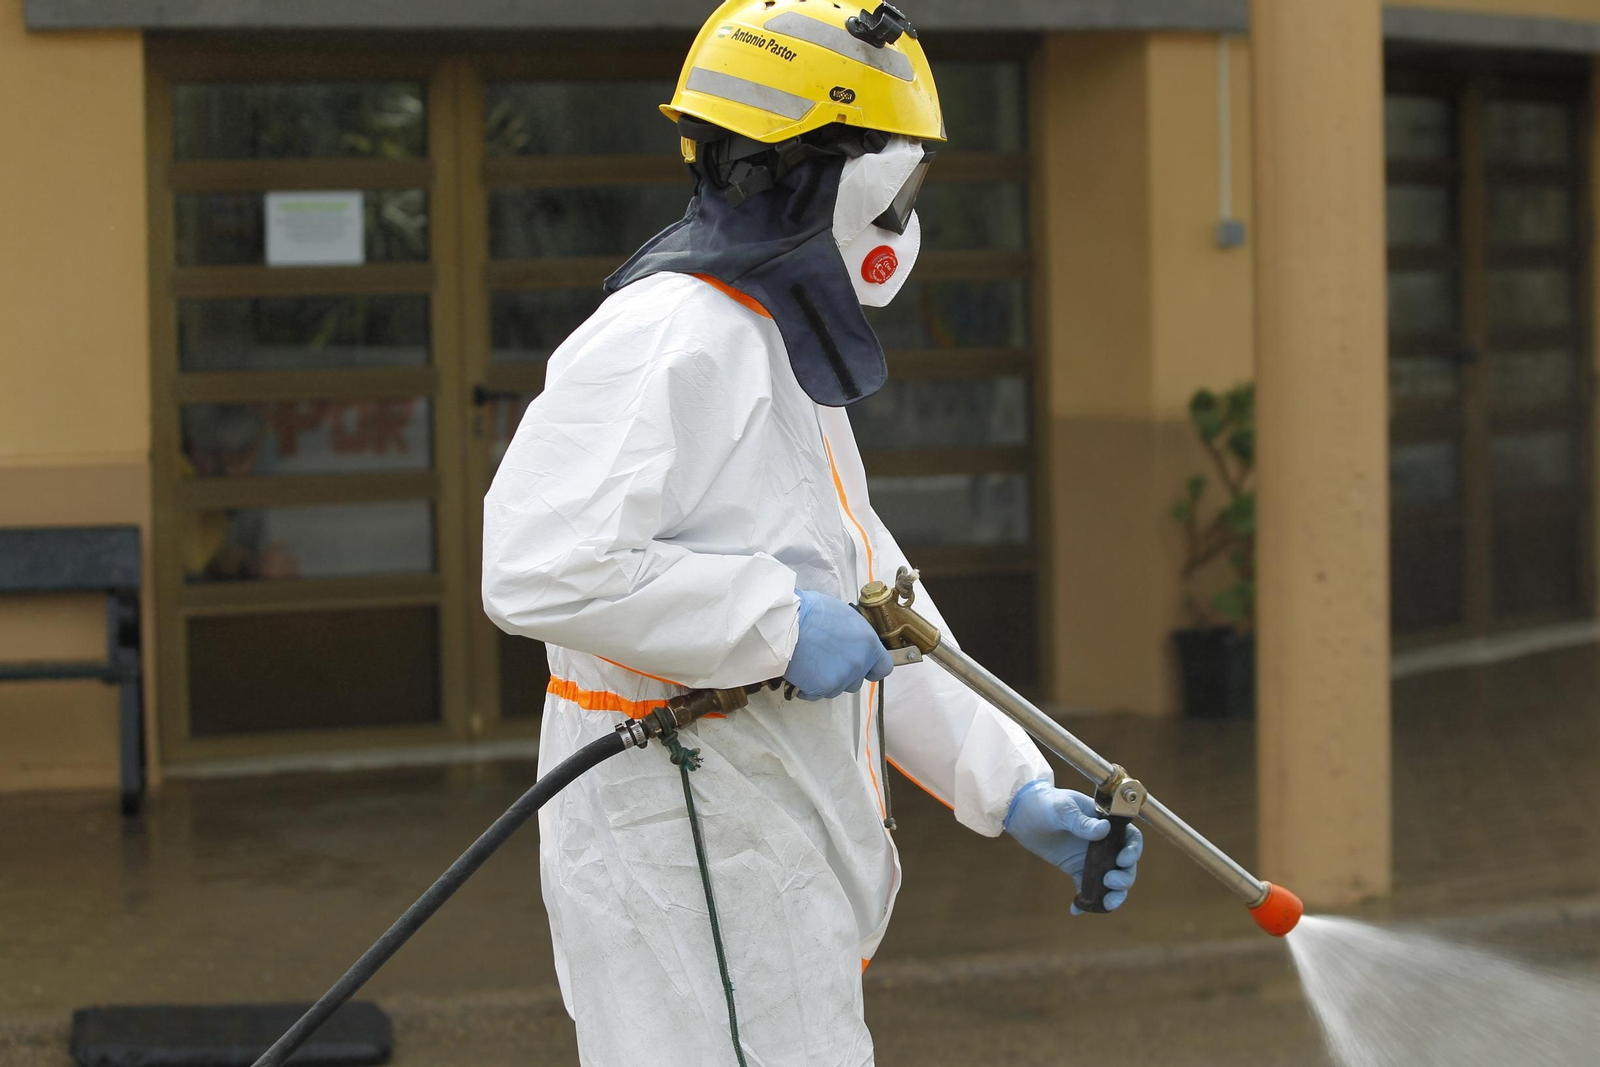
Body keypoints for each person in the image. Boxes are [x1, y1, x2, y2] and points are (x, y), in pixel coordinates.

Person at [482, 4, 1142, 1064]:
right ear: (813, 179)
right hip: (686, 832)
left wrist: (1010, 785)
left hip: (754, 831)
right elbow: (539, 564)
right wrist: (776, 620)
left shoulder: (778, 348)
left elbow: (877, 604)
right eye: (900, 185)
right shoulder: (668, 339)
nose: (907, 220)